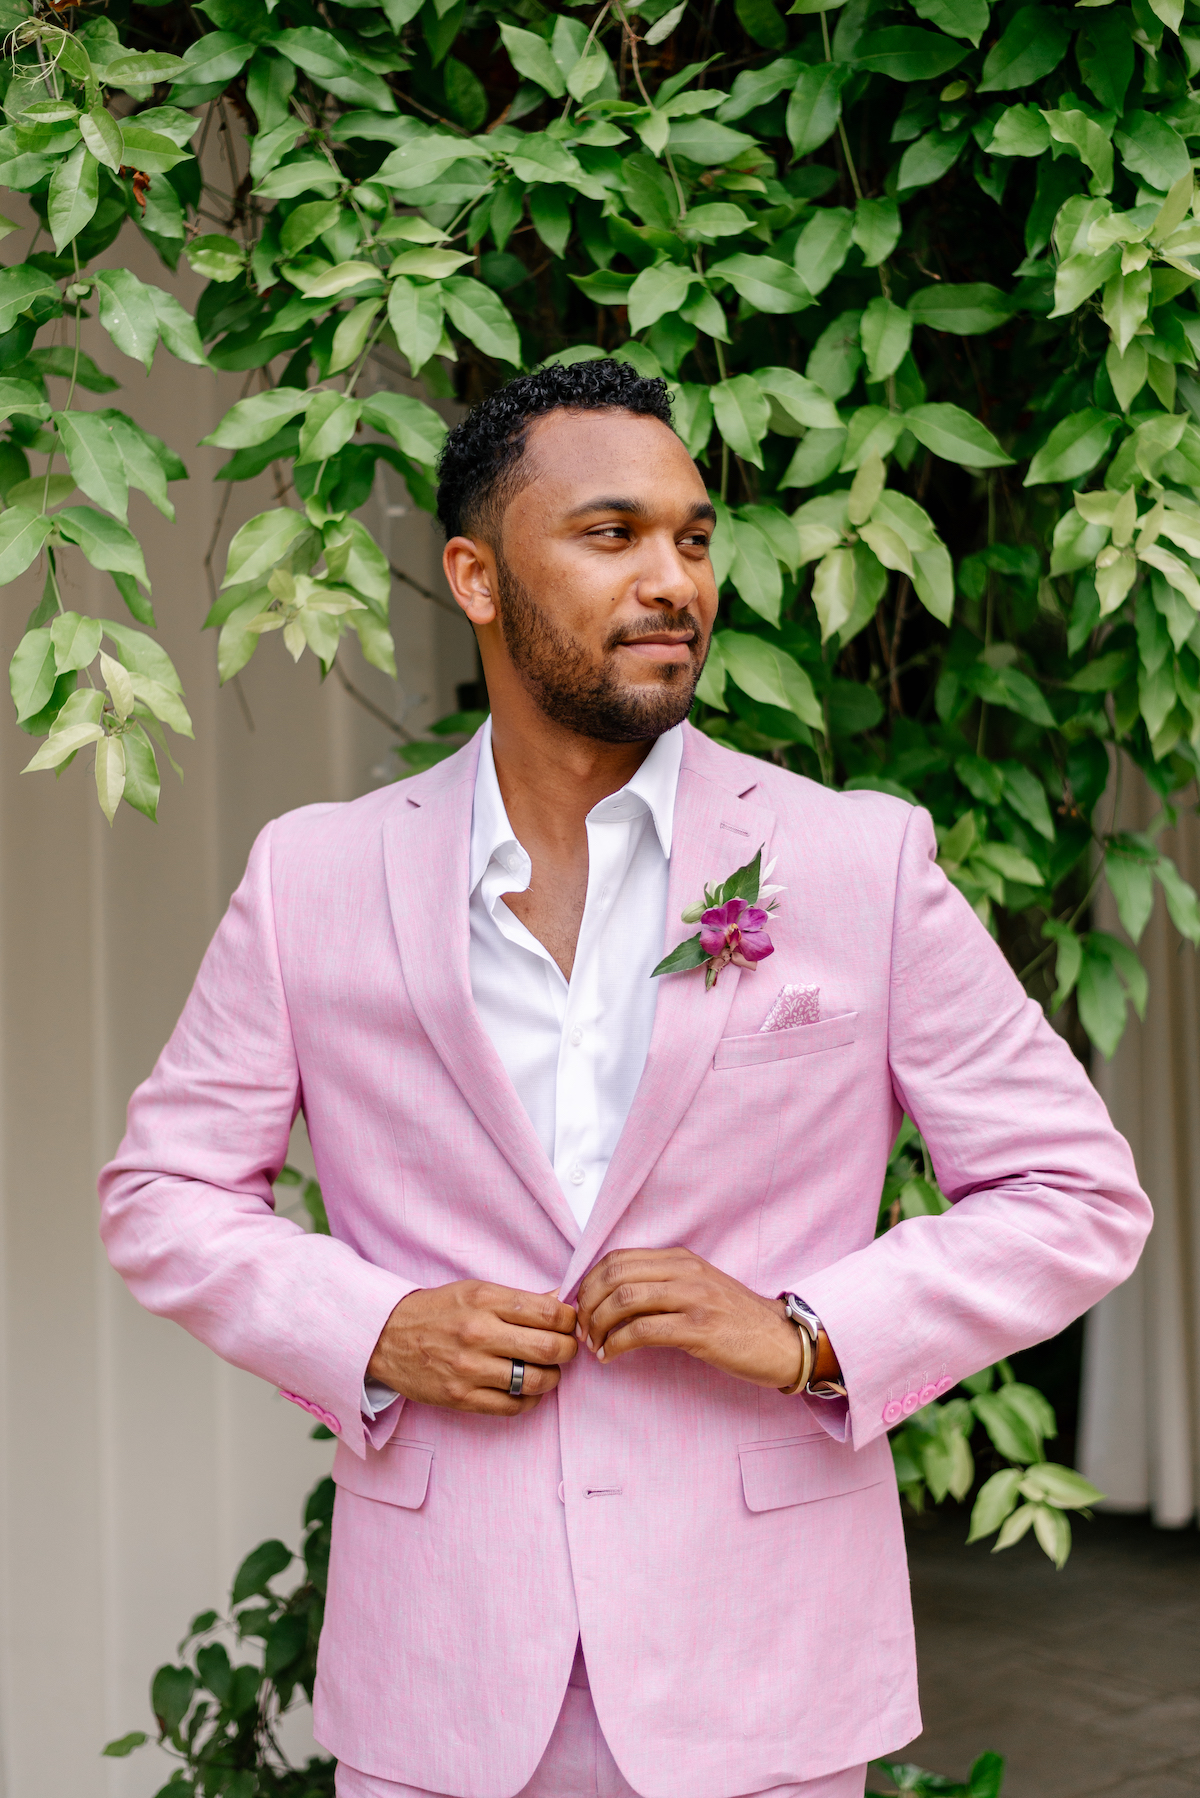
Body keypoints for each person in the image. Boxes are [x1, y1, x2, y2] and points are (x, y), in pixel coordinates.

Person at [99, 359, 1151, 1798]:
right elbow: (162, 1194)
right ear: (476, 576)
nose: (676, 580)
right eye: (613, 535)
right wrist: (378, 1325)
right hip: (442, 1686)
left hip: (763, 1683)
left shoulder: (857, 861)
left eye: (696, 537)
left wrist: (805, 1329)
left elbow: (1074, 1191)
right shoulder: (316, 877)